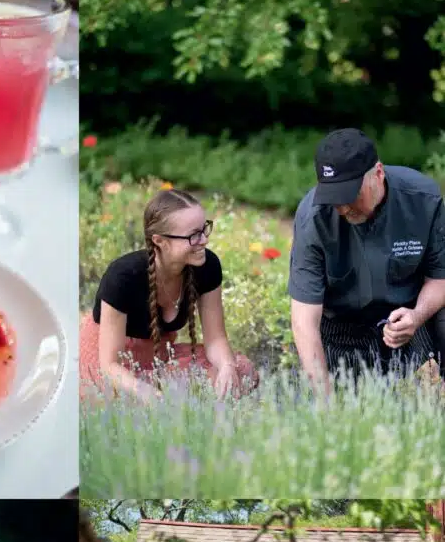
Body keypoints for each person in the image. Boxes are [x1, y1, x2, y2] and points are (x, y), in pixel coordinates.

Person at [288, 128, 445, 387]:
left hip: (407, 324)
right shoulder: (313, 219)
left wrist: (416, 316)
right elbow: (304, 319)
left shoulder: (423, 200)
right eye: (333, 198)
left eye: (350, 195)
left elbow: (440, 278)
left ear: (379, 173)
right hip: (342, 332)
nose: (343, 208)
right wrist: (323, 401)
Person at [80, 188, 259, 400]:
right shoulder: (123, 277)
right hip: (112, 367)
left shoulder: (206, 266)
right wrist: (142, 391)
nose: (204, 241)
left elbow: (216, 339)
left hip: (160, 357)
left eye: (204, 230)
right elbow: (109, 365)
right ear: (160, 241)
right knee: (126, 402)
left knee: (240, 371)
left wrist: (227, 366)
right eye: (193, 235)